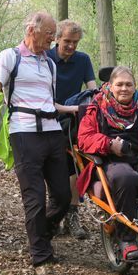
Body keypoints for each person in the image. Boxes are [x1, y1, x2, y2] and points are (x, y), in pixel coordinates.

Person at [0, 11, 75, 275]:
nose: (52, 39)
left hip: (53, 133)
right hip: (24, 133)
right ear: (32, 29)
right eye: (49, 34)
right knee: (34, 198)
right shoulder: (10, 57)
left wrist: (75, 109)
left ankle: (39, 235)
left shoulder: (50, 64)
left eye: (54, 35)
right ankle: (41, 261)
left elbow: (48, 102)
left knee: (64, 197)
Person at [76, 66, 138, 261]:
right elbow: (84, 138)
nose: (124, 89)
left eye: (128, 84)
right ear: (110, 86)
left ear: (135, 86)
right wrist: (109, 144)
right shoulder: (97, 107)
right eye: (119, 84)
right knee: (126, 178)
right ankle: (126, 240)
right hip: (110, 161)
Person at [46, 20, 97, 239]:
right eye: (67, 41)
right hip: (48, 119)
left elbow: (93, 90)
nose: (71, 46)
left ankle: (72, 215)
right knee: (53, 168)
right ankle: (54, 212)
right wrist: (75, 108)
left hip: (74, 121)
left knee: (77, 165)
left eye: (75, 42)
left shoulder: (83, 60)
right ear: (57, 38)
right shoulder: (45, 58)